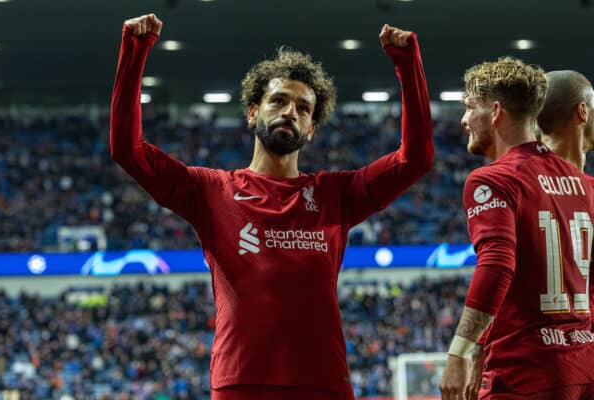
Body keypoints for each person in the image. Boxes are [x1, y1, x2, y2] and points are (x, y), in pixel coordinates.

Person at [110, 13, 433, 400]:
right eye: (278, 100)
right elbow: (127, 150)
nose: (290, 111)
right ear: (252, 112)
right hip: (241, 383)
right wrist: (135, 50)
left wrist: (407, 64)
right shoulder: (211, 191)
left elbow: (415, 159)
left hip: (323, 383)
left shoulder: (337, 195)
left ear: (311, 128)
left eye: (303, 107)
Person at [439, 57, 594, 400]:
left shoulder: (493, 179)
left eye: (468, 108)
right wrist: (481, 345)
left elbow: (496, 265)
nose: (464, 120)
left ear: (495, 112)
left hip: (525, 375)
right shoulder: (586, 185)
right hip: (584, 368)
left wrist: (459, 352)